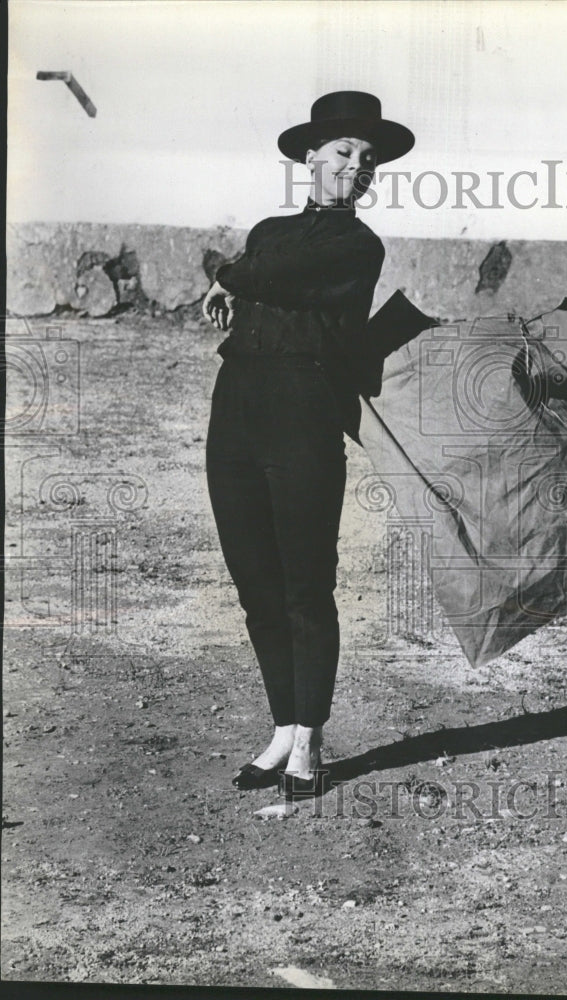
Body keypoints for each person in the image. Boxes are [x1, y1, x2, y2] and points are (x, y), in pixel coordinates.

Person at [202, 92, 415, 798]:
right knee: (256, 586)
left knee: (304, 586)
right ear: (309, 158)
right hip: (233, 410)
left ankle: (312, 740)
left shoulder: (357, 246)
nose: (356, 167)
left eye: (367, 160)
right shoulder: (268, 229)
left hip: (303, 414)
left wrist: (222, 271)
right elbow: (256, 280)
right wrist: (229, 281)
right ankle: (281, 731)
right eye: (343, 153)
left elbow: (273, 279)